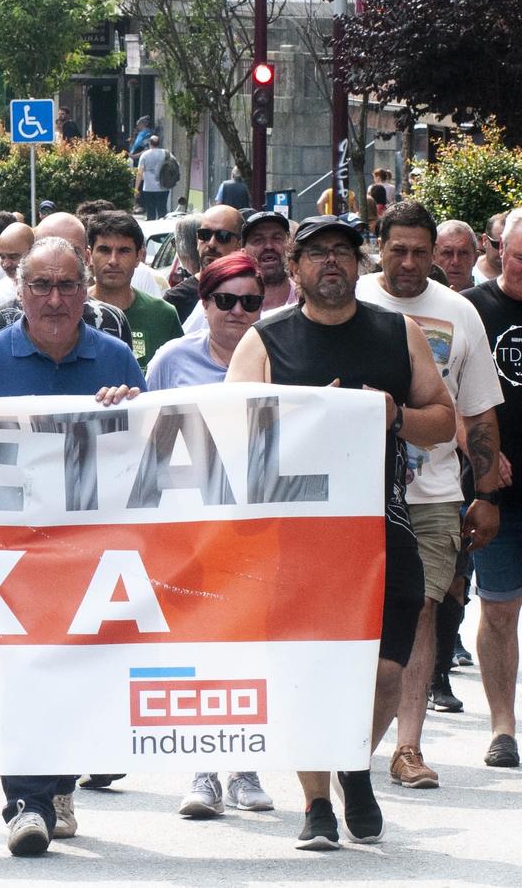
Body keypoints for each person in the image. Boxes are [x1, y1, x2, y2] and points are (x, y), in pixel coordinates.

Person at [226, 215, 457, 850]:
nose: (332, 262)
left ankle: (354, 760)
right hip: (295, 536)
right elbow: (229, 432)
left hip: (383, 528)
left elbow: (444, 421)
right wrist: (298, 418)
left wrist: (396, 414)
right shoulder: (267, 341)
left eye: (343, 252)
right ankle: (317, 802)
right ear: (294, 268)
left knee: (386, 672)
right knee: (307, 668)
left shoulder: (396, 332)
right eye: (318, 253)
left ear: (360, 266)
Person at [0, 236, 144, 856]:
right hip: (10, 545)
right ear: (19, 292)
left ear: (86, 293)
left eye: (67, 286)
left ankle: (58, 784)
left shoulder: (116, 358)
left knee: (78, 668)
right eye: (41, 286)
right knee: (22, 669)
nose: (54, 299)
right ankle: (24, 801)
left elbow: (151, 452)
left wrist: (132, 410)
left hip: (90, 547)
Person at [355, 201, 504, 791]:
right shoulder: (352, 299)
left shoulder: (458, 312)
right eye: (400, 250)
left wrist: (487, 493)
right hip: (352, 491)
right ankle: (348, 737)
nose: (412, 263)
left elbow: (480, 408)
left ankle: (408, 747)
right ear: (380, 247)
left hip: (433, 490)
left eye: (423, 251)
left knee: (420, 608)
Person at [142, 250, 278, 818]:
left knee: (249, 642)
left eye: (252, 301)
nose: (240, 311)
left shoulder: (281, 352)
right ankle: (202, 769)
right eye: (227, 300)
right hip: (189, 524)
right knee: (197, 642)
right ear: (205, 303)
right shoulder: (173, 359)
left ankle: (245, 766)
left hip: (259, 523)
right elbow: (142, 434)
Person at [461, 209, 522, 772]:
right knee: (499, 608)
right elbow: (449, 391)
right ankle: (503, 726)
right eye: (521, 257)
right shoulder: (475, 310)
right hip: (498, 488)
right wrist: (484, 450)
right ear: (500, 249)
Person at [83, 210, 182, 369]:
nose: (113, 261)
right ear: (88, 256)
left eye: (124, 251)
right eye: (104, 250)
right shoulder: (72, 312)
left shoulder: (164, 315)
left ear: (139, 256)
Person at [435, 219, 479, 292]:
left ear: (475, 258)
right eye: (447, 253)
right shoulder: (416, 299)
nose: (456, 261)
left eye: (463, 253)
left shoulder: (489, 302)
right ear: (433, 257)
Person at [136, 135, 170, 220]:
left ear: (150, 143)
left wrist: (136, 188)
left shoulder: (145, 155)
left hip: (148, 188)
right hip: (163, 187)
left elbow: (139, 173)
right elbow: (174, 166)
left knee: (150, 212)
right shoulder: (166, 153)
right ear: (159, 143)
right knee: (162, 211)